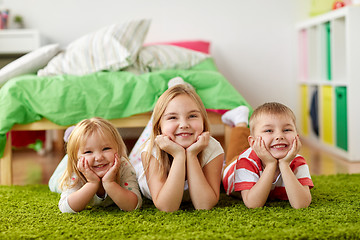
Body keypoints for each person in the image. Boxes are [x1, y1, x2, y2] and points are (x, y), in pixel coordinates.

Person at [130, 80, 224, 212]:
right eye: (173, 117)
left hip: (174, 135)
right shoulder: (151, 151)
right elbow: (167, 207)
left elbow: (204, 205)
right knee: (133, 157)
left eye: (192, 116)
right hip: (139, 161)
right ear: (159, 126)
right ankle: (176, 87)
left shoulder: (212, 148)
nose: (184, 124)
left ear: (203, 119)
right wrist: (179, 155)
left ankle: (179, 88)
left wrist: (191, 155)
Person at [222, 102, 313, 209]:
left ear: (297, 137)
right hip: (232, 168)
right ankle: (240, 121)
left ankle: (241, 120)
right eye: (269, 130)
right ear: (253, 142)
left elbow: (301, 204)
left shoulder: (298, 161)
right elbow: (253, 204)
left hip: (261, 155)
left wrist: (284, 165)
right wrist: (270, 165)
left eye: (287, 130)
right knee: (237, 148)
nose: (279, 136)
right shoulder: (245, 161)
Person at [56, 117, 142, 213]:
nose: (99, 158)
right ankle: (71, 142)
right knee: (56, 185)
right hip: (63, 170)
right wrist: (92, 183)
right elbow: (65, 208)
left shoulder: (123, 166)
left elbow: (134, 205)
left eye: (106, 149)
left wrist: (109, 183)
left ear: (118, 149)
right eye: (88, 151)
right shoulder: (75, 169)